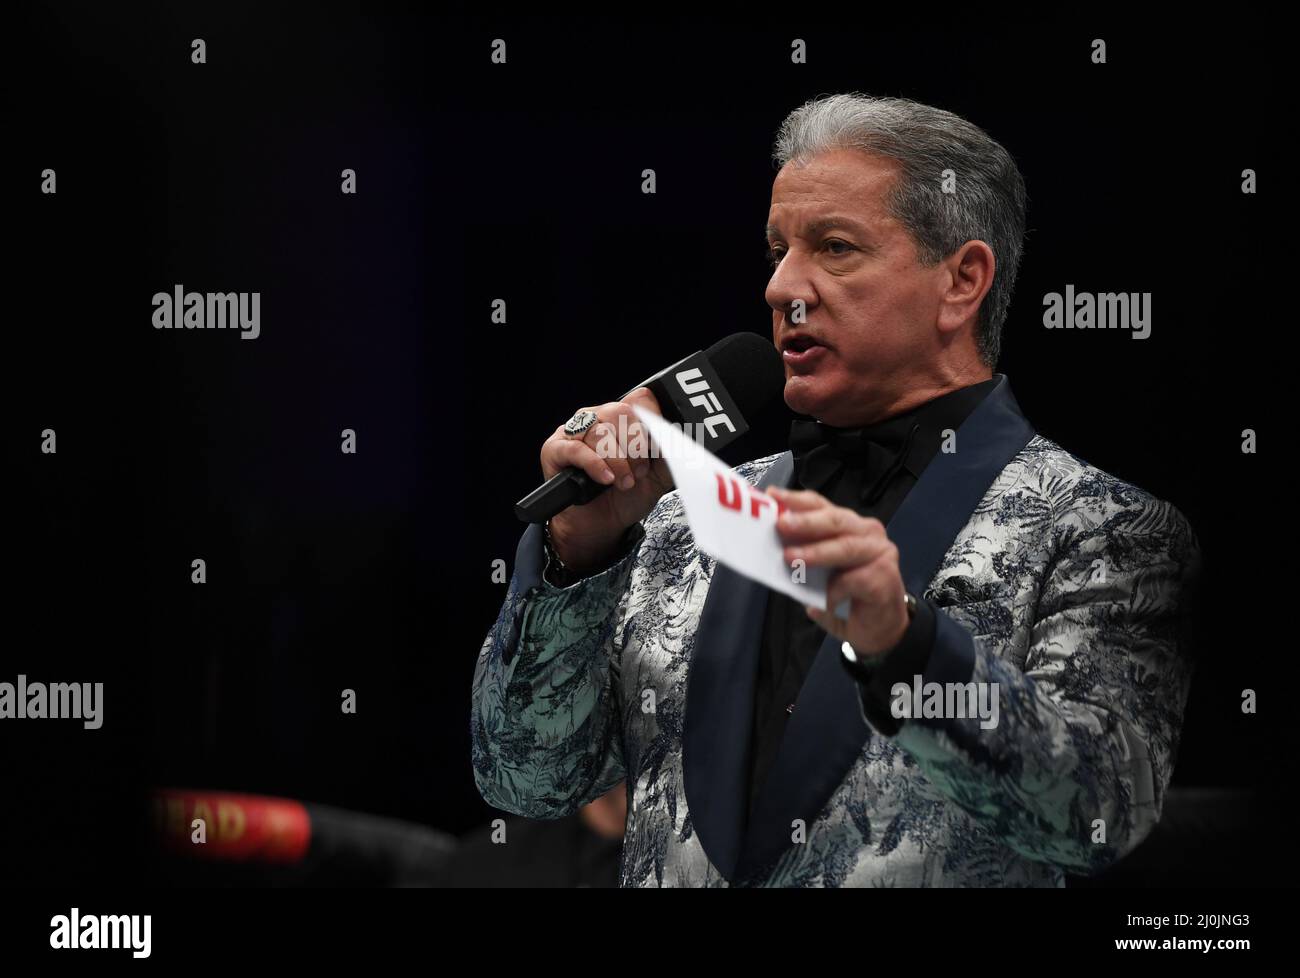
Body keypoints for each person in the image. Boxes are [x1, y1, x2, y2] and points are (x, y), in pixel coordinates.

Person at [471, 93, 1201, 887]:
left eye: (835, 248)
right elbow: (525, 780)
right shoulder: (682, 521)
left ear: (962, 281)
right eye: (778, 249)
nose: (782, 286)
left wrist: (905, 646)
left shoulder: (1102, 527)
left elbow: (1099, 815)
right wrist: (579, 557)